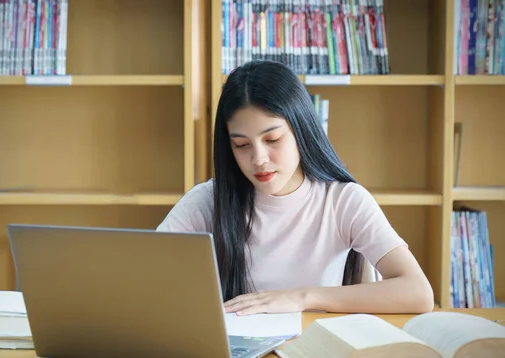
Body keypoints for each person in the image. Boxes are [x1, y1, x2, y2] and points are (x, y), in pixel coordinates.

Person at [157, 60, 435, 316]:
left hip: (316, 353)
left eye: (273, 139)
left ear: (301, 131)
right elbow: (145, 279)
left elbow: (418, 293)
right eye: (241, 145)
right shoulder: (208, 200)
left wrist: (303, 298)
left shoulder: (342, 201)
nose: (259, 159)